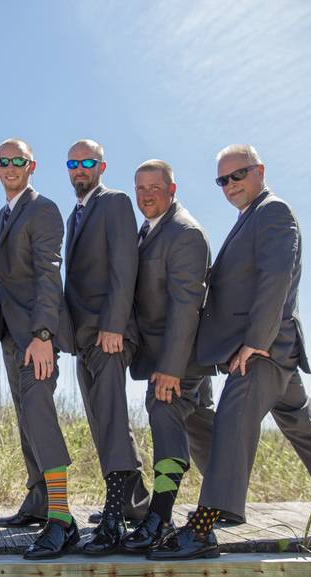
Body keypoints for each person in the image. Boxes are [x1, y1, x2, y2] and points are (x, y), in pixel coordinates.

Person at [150, 145, 311, 561]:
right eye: (222, 180)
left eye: (238, 175)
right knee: (304, 427)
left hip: (262, 349)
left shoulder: (273, 211)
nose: (230, 185)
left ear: (259, 171)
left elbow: (276, 277)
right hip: (272, 348)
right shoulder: (250, 217)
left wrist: (256, 342)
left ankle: (204, 527)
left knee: (232, 423)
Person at [0, 139, 78, 560]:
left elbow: (48, 272)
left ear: (31, 166)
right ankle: (39, 498)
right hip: (10, 332)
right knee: (26, 415)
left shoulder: (43, 209)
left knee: (39, 411)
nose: (11, 167)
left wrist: (43, 334)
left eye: (18, 161)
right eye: (4, 161)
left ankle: (61, 517)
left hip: (36, 336)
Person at [122, 160, 215, 554]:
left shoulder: (184, 233)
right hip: (164, 353)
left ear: (172, 190)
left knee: (164, 412)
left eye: (155, 187)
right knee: (205, 430)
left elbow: (185, 306)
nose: (146, 195)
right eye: (140, 188)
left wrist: (171, 368)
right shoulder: (148, 230)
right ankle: (221, 502)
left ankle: (159, 516)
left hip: (181, 356)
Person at [62, 139, 149, 555]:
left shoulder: (114, 202)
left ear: (101, 166)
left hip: (108, 333)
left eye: (87, 162)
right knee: (103, 421)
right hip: (83, 337)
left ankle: (114, 518)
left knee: (112, 418)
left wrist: (114, 325)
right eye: (73, 164)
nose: (80, 169)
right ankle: (135, 503)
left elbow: (124, 266)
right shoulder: (74, 215)